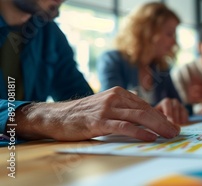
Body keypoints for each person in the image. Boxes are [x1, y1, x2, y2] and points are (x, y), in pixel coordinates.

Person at [0, 0, 180, 142]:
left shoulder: (51, 34)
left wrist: (131, 114)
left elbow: (83, 102)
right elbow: (69, 113)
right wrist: (44, 117)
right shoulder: (115, 58)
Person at [98, 2, 188, 124]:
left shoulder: (161, 68)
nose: (174, 43)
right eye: (169, 34)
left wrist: (180, 108)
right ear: (148, 32)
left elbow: (180, 107)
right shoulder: (113, 60)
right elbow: (113, 108)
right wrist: (157, 110)